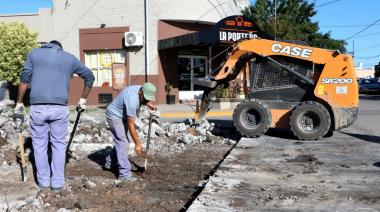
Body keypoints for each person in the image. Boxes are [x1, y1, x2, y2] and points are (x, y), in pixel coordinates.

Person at [14, 40, 95, 192]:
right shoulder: (68, 58)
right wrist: (82, 100)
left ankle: (43, 183)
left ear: (47, 45)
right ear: (59, 47)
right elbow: (90, 77)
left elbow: (25, 78)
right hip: (59, 108)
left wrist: (19, 103)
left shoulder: (34, 54)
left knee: (39, 145)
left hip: (38, 108)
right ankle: (57, 184)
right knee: (59, 146)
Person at [104, 83, 156, 181]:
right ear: (140, 92)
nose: (147, 100)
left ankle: (109, 163)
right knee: (123, 143)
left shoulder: (141, 88)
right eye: (146, 98)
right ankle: (124, 175)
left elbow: (142, 100)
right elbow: (131, 124)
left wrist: (147, 103)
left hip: (122, 114)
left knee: (122, 142)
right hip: (114, 116)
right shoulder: (132, 100)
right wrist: (137, 144)